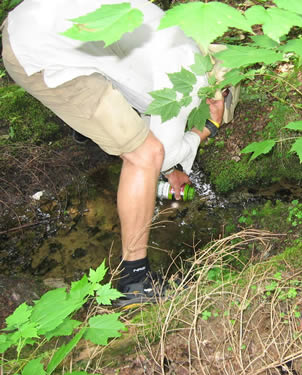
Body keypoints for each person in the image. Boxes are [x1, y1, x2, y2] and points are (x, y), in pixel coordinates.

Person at [1, 0, 235, 306]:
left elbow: (153, 107)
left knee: (144, 147)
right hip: (41, 54)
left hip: (34, 23)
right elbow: (158, 152)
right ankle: (135, 283)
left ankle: (86, 130)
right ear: (217, 96)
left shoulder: (181, 39)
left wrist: (169, 171)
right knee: (144, 155)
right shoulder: (191, 81)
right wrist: (206, 131)